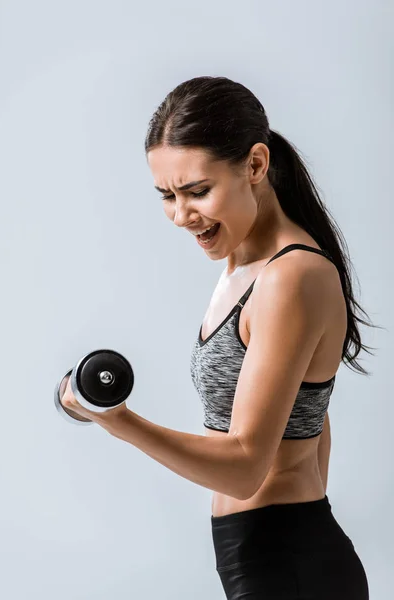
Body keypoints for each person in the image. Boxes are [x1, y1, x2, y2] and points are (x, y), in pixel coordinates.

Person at [61, 75, 374, 599]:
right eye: (166, 196)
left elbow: (247, 466)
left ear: (255, 165)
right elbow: (314, 421)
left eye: (197, 192)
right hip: (269, 555)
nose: (182, 216)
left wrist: (118, 421)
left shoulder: (290, 276)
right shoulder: (242, 265)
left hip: (286, 562)